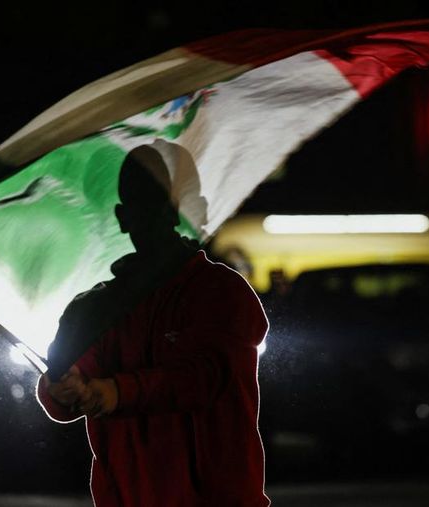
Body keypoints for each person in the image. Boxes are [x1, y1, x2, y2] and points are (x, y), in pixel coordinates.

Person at [36, 146, 270, 506]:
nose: (150, 217)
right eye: (139, 205)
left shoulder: (220, 290)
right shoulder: (93, 309)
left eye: (158, 202)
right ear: (122, 216)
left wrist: (115, 392)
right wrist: (59, 388)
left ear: (175, 210)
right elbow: (64, 389)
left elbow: (203, 378)